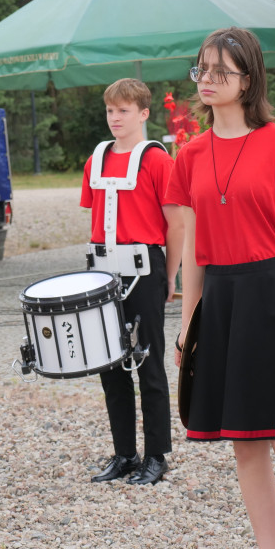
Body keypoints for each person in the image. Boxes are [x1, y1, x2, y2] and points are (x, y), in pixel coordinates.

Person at [169, 28, 275, 549]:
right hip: (222, 299)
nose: (209, 80)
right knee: (244, 444)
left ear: (249, 80)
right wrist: (186, 323)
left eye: (222, 70)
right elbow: (195, 246)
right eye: (203, 69)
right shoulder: (190, 154)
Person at [81, 78, 182, 485]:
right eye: (110, 111)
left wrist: (170, 276)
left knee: (148, 364)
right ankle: (124, 453)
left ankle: (157, 456)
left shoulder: (158, 161)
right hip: (103, 271)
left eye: (123, 111)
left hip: (146, 268)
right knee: (110, 365)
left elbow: (176, 224)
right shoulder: (96, 160)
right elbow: (92, 217)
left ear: (143, 113)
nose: (115, 118)